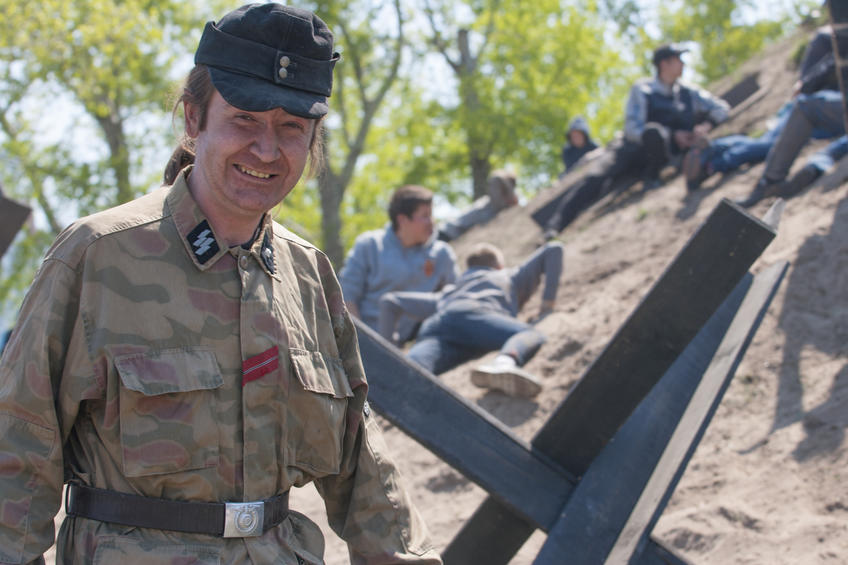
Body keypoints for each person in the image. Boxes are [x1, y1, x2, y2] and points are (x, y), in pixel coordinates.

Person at [0, 5, 442, 564]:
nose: (267, 149)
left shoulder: (308, 275)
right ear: (193, 119)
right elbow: (16, 453)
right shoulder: (97, 258)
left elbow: (363, 466)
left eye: (291, 127)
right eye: (245, 119)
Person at [542, 43, 729, 238]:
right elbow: (632, 129)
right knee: (596, 177)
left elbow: (721, 107)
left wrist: (706, 125)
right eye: (678, 60)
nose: (683, 64)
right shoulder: (643, 89)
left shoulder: (688, 92)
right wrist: (671, 134)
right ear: (664, 64)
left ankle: (653, 176)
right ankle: (555, 225)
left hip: (666, 155)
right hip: (630, 150)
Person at [377, 242, 564, 398]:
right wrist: (546, 308)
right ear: (499, 265)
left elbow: (389, 302)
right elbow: (554, 249)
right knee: (529, 333)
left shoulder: (450, 291)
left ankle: (388, 387)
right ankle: (504, 363)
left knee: (409, 372)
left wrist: (388, 351)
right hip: (478, 318)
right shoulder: (506, 275)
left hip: (440, 324)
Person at [685, 25, 840, 191]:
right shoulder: (831, 40)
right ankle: (712, 165)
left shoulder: (825, 39)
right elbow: (823, 71)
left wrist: (806, 85)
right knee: (771, 144)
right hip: (815, 110)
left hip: (807, 105)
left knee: (764, 141)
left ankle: (714, 148)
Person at [340, 185, 458, 343]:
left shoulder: (442, 254)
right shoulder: (369, 245)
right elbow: (347, 297)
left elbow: (455, 297)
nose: (432, 222)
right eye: (425, 216)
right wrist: (362, 343)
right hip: (368, 341)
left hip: (414, 343)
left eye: (431, 215)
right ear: (402, 219)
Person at [436, 169, 519, 242]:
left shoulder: (497, 207)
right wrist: (507, 186)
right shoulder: (492, 202)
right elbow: (496, 178)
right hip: (448, 231)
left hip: (451, 232)